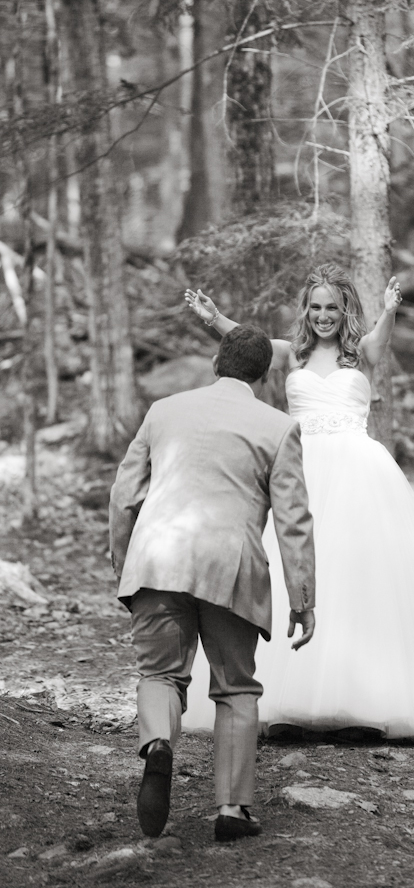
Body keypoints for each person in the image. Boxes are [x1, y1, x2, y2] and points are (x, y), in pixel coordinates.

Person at [182, 264, 414, 740]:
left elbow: (381, 338)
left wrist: (391, 310)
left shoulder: (361, 353)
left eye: (331, 308)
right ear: (306, 311)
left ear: (345, 311)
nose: (323, 316)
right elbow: (247, 345)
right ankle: (288, 703)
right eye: (315, 307)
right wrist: (215, 319)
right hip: (301, 473)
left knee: (358, 576)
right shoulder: (290, 355)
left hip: (358, 473)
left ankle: (363, 704)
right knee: (295, 573)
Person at [108, 324, 316, 840]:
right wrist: (302, 598)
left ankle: (158, 745)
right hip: (231, 570)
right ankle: (232, 811)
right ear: (265, 376)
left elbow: (123, 497)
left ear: (216, 362)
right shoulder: (278, 427)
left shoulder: (164, 410)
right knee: (236, 689)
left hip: (157, 561)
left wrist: (125, 566)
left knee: (160, 675)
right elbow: (293, 521)